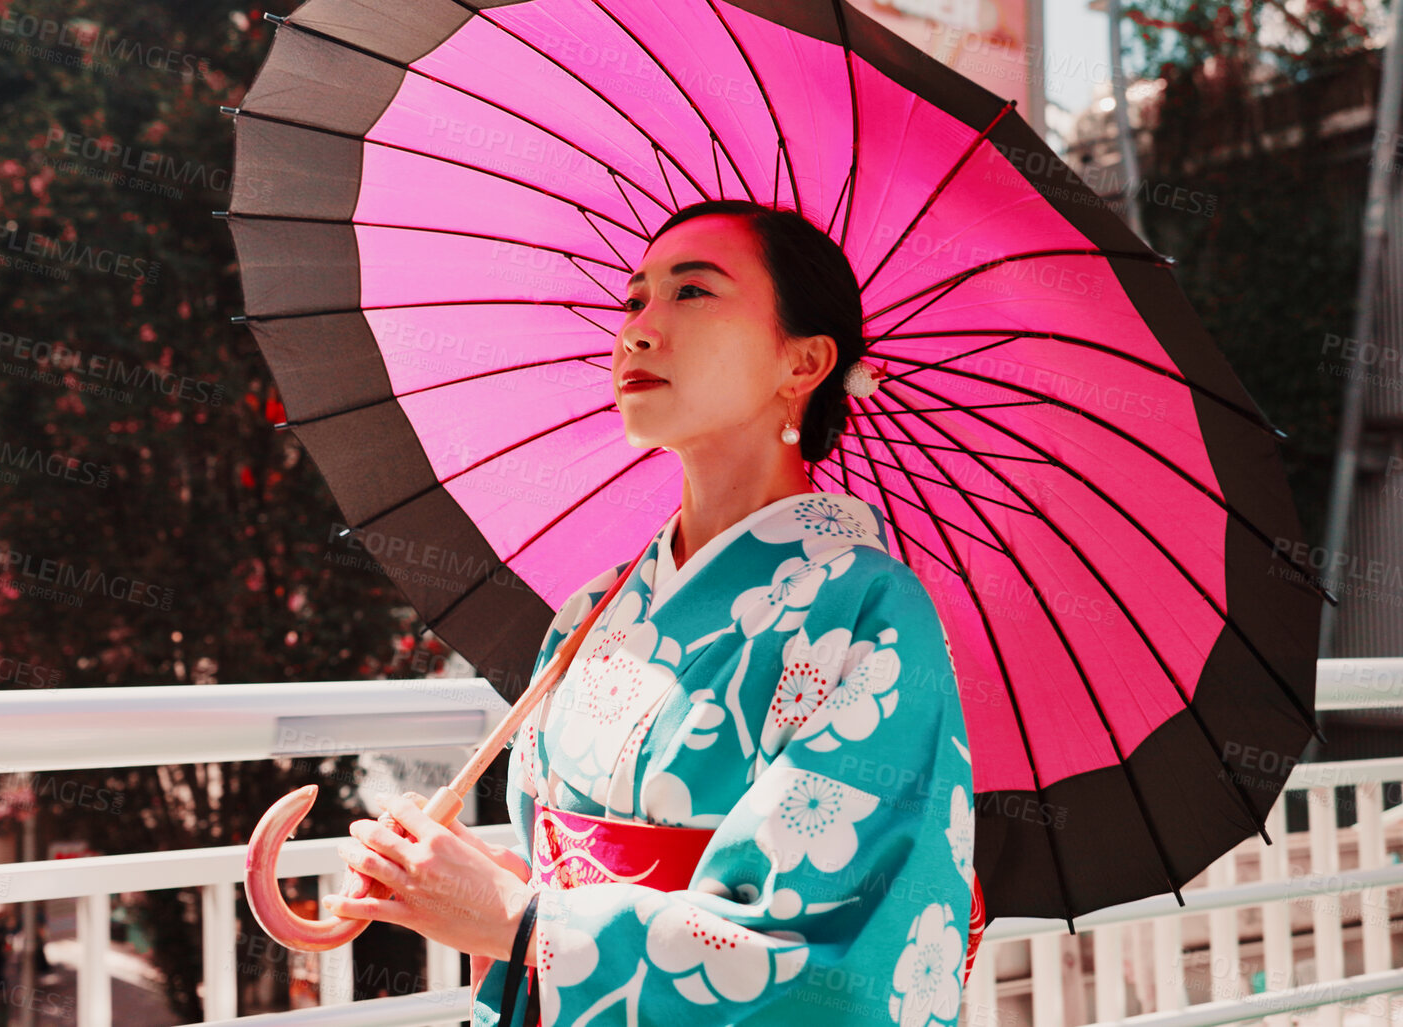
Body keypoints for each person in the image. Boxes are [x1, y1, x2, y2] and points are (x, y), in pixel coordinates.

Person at [323, 199, 980, 1026]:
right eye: (634, 300)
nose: (637, 329)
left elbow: (833, 960)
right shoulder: (593, 609)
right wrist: (449, 877)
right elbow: (560, 860)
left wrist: (522, 920)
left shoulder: (872, 612)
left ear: (804, 362)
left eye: (691, 293)